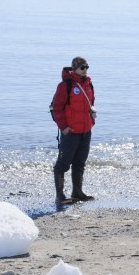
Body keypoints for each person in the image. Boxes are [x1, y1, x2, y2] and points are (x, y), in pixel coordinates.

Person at [51, 56, 96, 205]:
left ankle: (77, 193)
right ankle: (60, 196)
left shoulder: (89, 83)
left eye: (86, 67)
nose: (85, 70)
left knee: (80, 162)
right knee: (63, 164)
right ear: (75, 68)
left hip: (85, 130)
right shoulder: (65, 86)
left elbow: (91, 104)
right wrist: (63, 127)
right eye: (82, 68)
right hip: (70, 132)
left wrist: (91, 122)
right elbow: (55, 108)